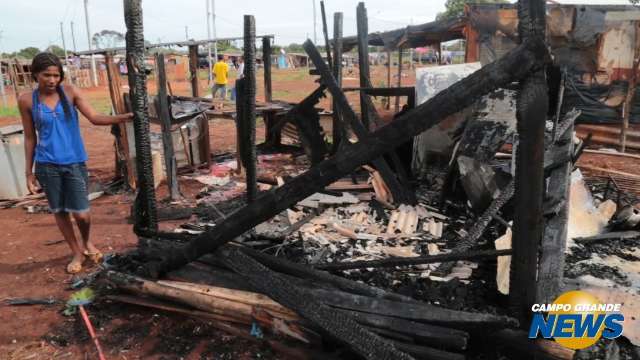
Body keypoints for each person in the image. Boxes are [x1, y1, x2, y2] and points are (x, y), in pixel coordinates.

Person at [18, 52, 132, 274]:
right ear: (35, 75)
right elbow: (30, 137)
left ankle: (87, 242)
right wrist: (28, 172)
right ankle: (77, 251)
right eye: (46, 75)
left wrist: (125, 117)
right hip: (47, 164)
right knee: (60, 211)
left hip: (74, 162)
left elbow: (95, 117)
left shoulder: (70, 92)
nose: (52, 80)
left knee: (81, 213)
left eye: (56, 75)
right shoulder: (26, 100)